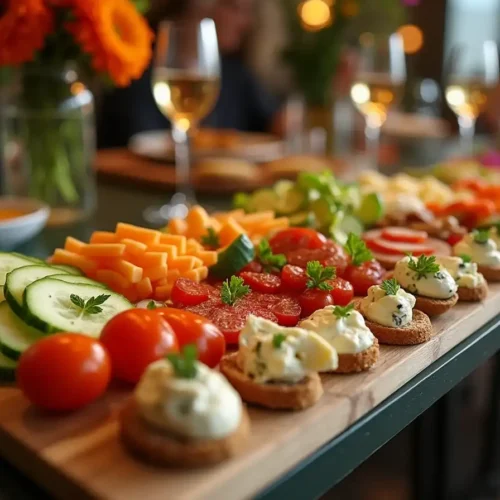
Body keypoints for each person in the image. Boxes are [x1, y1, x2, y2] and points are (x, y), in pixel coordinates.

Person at [96, 0, 282, 148]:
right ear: (199, 5)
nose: (245, 22)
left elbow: (275, 121)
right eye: (235, 8)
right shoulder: (136, 72)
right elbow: (136, 145)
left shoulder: (235, 74)